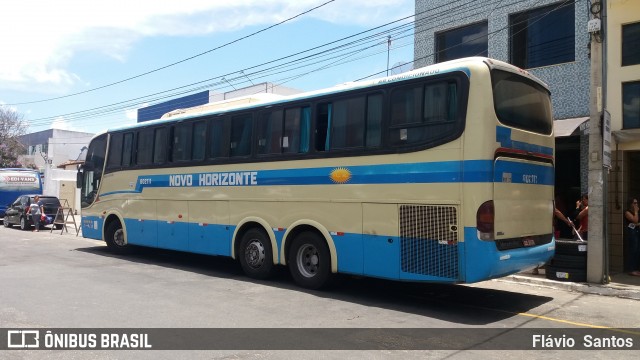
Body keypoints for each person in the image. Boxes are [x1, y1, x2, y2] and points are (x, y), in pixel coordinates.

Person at [624, 197, 640, 276]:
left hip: (637, 231)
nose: (636, 204)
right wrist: (636, 212)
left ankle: (635, 268)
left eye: (636, 203)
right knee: (633, 250)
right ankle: (631, 269)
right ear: (630, 204)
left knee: (637, 250)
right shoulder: (627, 212)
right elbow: (635, 220)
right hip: (632, 232)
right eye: (634, 203)